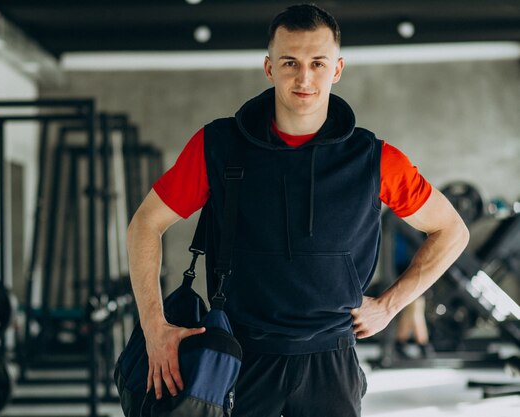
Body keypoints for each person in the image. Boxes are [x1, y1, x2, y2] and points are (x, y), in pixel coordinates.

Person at [126, 3, 469, 417]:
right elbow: (146, 223)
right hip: (241, 356)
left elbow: (452, 230)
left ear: (337, 70)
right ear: (269, 68)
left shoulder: (374, 159)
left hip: (332, 360)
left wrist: (390, 305)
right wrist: (153, 326)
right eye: (290, 62)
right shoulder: (218, 145)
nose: (304, 77)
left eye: (317, 63)